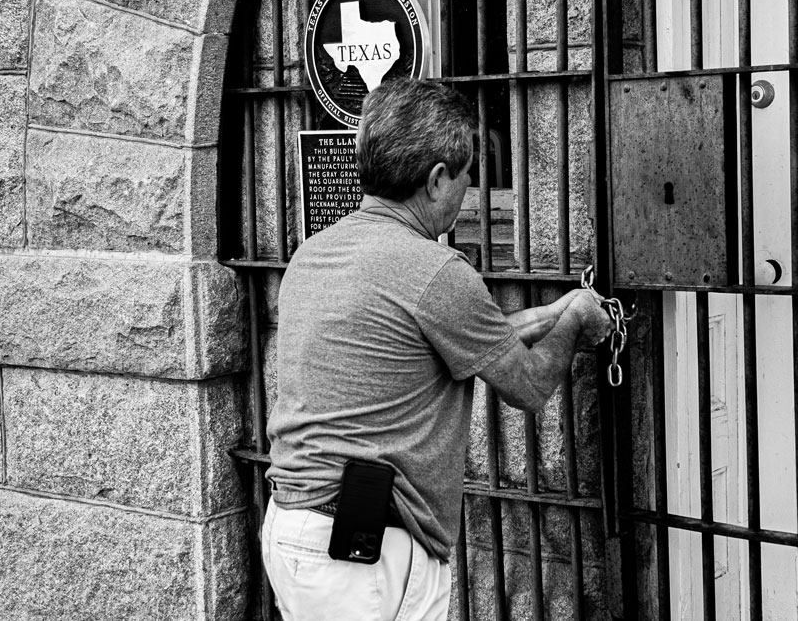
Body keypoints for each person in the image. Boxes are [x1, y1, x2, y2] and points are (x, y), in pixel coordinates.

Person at [261, 78, 612, 621]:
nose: (470, 189)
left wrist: (550, 312)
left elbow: (446, 345)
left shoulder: (314, 253)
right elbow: (529, 384)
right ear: (436, 179)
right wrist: (579, 320)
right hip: (364, 550)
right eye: (468, 175)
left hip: (294, 529)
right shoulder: (436, 272)